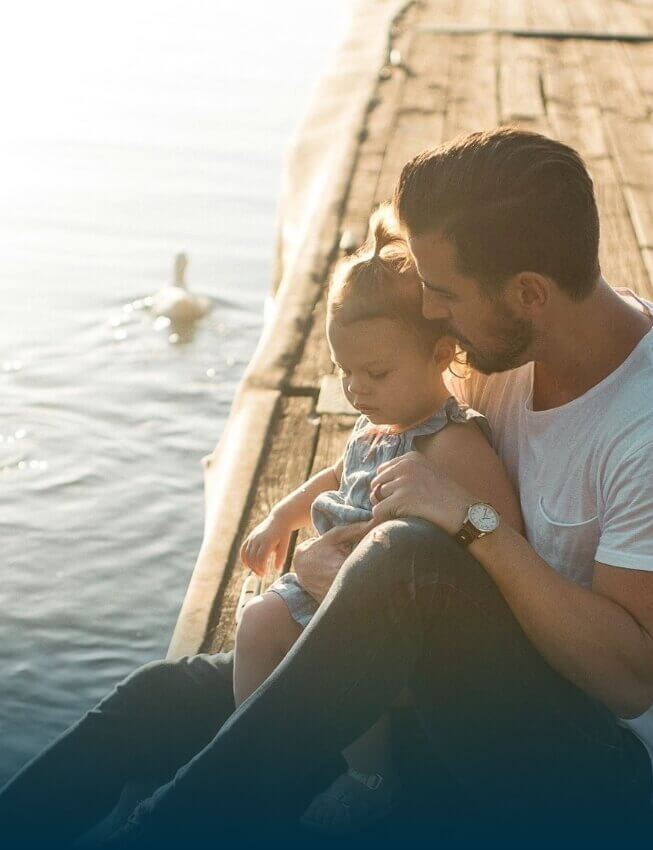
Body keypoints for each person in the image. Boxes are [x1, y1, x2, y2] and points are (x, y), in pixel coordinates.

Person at [0, 127, 653, 846]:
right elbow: (401, 454)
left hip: (581, 779)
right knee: (160, 702)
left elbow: (627, 676)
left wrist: (467, 527)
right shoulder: (508, 352)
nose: (428, 311)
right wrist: (343, 564)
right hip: (431, 686)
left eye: (443, 293)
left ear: (528, 294)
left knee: (406, 568)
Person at [231, 206, 523, 835]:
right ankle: (266, 759)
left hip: (390, 610)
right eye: (345, 374)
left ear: (443, 352)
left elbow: (502, 533)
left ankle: (371, 778)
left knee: (340, 671)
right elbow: (337, 474)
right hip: (332, 582)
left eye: (377, 372)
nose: (357, 390)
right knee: (256, 623)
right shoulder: (377, 423)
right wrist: (284, 516)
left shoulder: (450, 443)